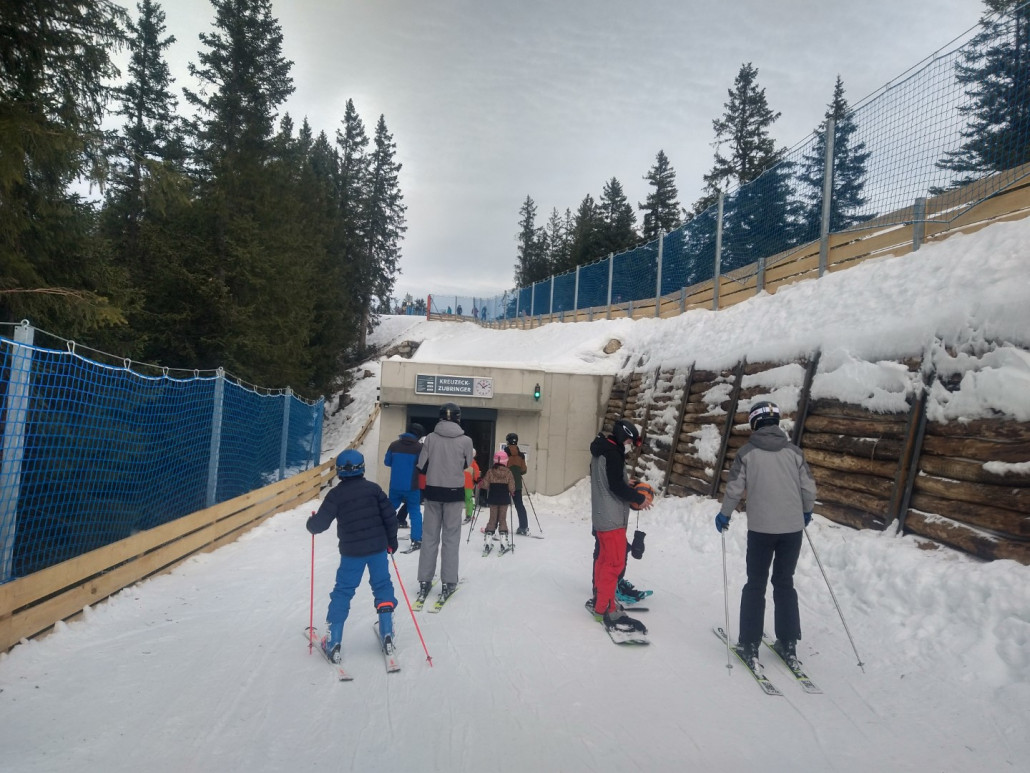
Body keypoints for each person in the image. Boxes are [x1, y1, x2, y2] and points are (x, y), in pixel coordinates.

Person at [715, 401, 817, 671]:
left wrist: (725, 514)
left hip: (761, 530)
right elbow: (809, 487)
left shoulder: (747, 453)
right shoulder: (794, 452)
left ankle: (749, 643)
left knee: (756, 584)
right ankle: (788, 642)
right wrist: (806, 511)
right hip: (792, 530)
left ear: (755, 423)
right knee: (785, 582)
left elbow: (735, 489)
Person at [306, 449, 399, 663]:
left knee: (343, 591)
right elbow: (390, 516)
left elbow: (320, 523)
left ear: (340, 472)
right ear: (362, 468)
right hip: (377, 549)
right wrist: (391, 541)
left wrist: (311, 525)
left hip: (352, 553)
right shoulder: (374, 490)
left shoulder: (336, 495)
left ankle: (334, 641)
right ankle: (387, 633)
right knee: (382, 586)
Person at [588, 419, 651, 636]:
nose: (628, 444)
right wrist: (638, 498)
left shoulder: (602, 449)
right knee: (613, 565)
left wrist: (625, 481)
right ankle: (605, 609)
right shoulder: (613, 453)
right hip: (612, 518)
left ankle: (601, 600)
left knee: (603, 561)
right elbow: (614, 486)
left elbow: (608, 479)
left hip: (602, 516)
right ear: (621, 435)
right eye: (628, 440)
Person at [417, 402, 474, 602]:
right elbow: (467, 464)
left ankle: (424, 580)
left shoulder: (430, 438)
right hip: (454, 493)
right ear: (458, 417)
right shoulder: (466, 440)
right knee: (451, 538)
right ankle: (448, 581)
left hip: (433, 492)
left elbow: (421, 466)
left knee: (430, 537)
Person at [384, 422, 425, 549]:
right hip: (412, 486)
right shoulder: (419, 448)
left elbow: (387, 462)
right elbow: (422, 466)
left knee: (389, 511)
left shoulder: (394, 445)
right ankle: (416, 539)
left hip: (395, 485)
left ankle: (384, 535)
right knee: (414, 512)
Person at [481, 450, 516, 548]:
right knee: (502, 519)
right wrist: (512, 491)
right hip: (504, 499)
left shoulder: (490, 471)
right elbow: (512, 487)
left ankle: (488, 541)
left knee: (492, 519)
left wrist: (482, 484)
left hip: (493, 498)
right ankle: (503, 542)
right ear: (506, 461)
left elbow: (485, 485)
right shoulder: (508, 472)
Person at [503, 432, 530, 535]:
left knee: (502, 505)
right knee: (519, 505)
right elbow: (524, 470)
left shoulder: (504, 453)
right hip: (517, 484)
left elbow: (501, 467)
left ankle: (500, 528)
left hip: (504, 483)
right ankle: (523, 527)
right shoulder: (521, 455)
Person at [463, 449, 481, 523]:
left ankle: (467, 515)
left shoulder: (460, 462)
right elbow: (476, 476)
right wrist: (477, 481)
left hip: (460, 484)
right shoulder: (474, 464)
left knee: (459, 500)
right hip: (468, 485)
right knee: (469, 500)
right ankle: (469, 515)